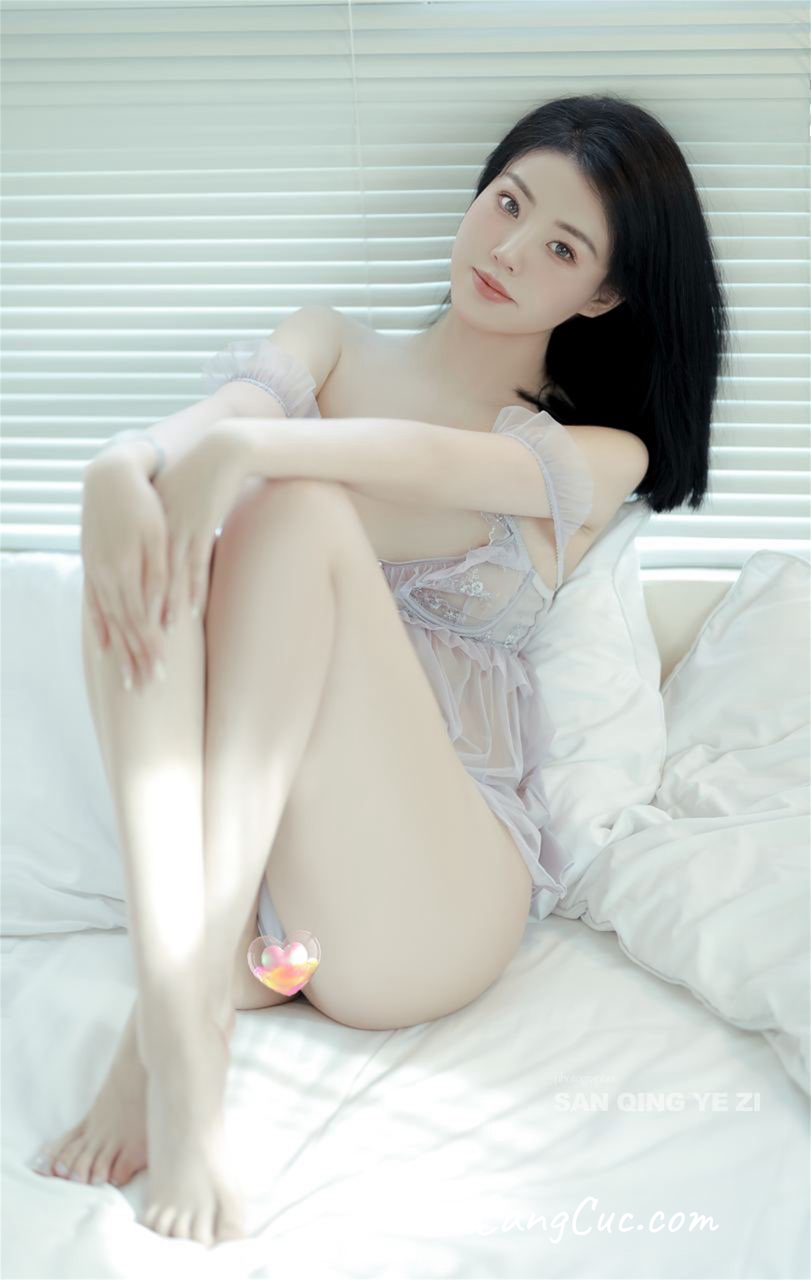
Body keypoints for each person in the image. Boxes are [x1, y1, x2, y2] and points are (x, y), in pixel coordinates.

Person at [30, 93, 729, 1248]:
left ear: (603, 296)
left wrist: (244, 448)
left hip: (430, 907)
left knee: (293, 505)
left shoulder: (594, 451)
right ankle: (187, 994)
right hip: (284, 936)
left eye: (562, 248)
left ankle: (174, 1041)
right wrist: (123, 463)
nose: (510, 248)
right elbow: (219, 417)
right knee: (157, 526)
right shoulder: (330, 343)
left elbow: (416, 460)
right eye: (507, 203)